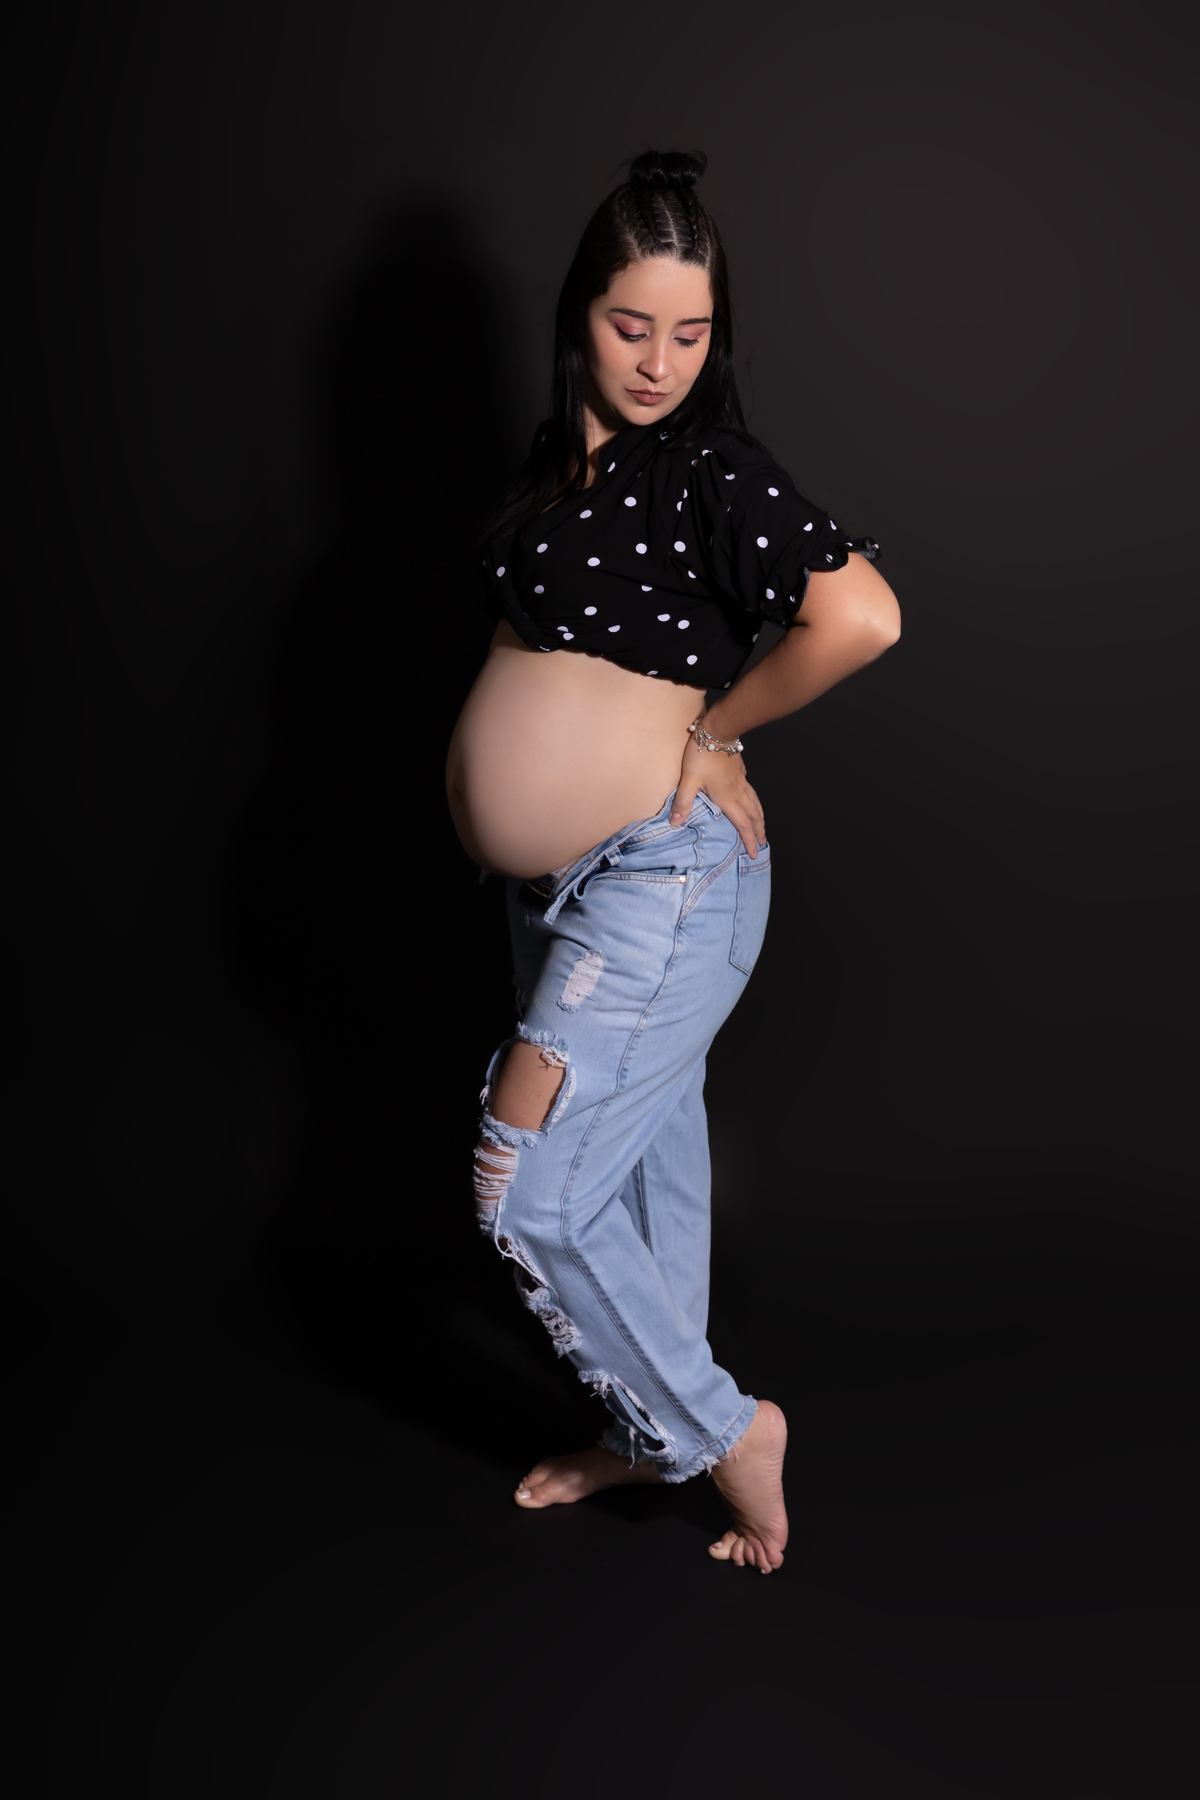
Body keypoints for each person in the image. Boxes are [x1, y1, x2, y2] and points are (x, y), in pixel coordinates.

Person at [447, 150, 900, 1572]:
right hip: (558, 893)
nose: (660, 363)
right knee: (643, 1171)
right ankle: (649, 1431)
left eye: (692, 333)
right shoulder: (555, 466)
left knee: (525, 1186)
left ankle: (722, 1428)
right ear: (579, 314)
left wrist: (713, 729)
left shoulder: (706, 467)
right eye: (632, 325)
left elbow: (863, 618)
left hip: (662, 880)